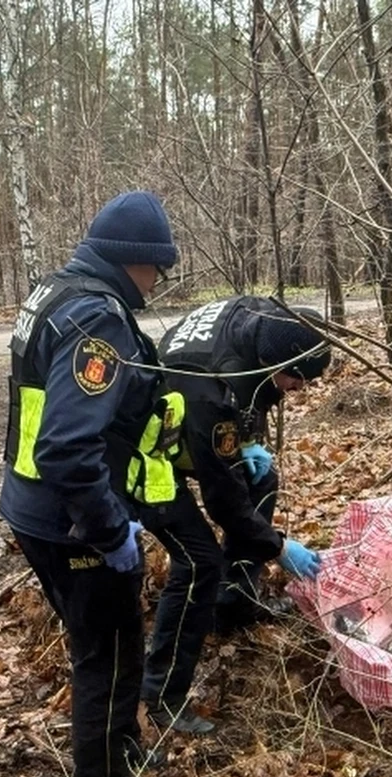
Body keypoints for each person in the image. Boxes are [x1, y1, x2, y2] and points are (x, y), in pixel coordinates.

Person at [0, 190, 183, 777]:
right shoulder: (96, 320)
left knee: (113, 637)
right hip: (71, 519)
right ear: (134, 258)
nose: (156, 283)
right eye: (157, 267)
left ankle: (121, 748)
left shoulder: (54, 292)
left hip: (36, 507)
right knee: (105, 650)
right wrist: (108, 531)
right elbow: (68, 447)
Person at [138, 295, 331, 734]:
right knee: (197, 561)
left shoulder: (257, 317)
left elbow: (246, 406)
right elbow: (224, 503)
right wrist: (280, 547)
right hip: (144, 458)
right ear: (272, 363)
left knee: (262, 479)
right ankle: (159, 697)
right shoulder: (214, 392)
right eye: (295, 381)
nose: (298, 390)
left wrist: (245, 442)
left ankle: (235, 602)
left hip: (186, 424)